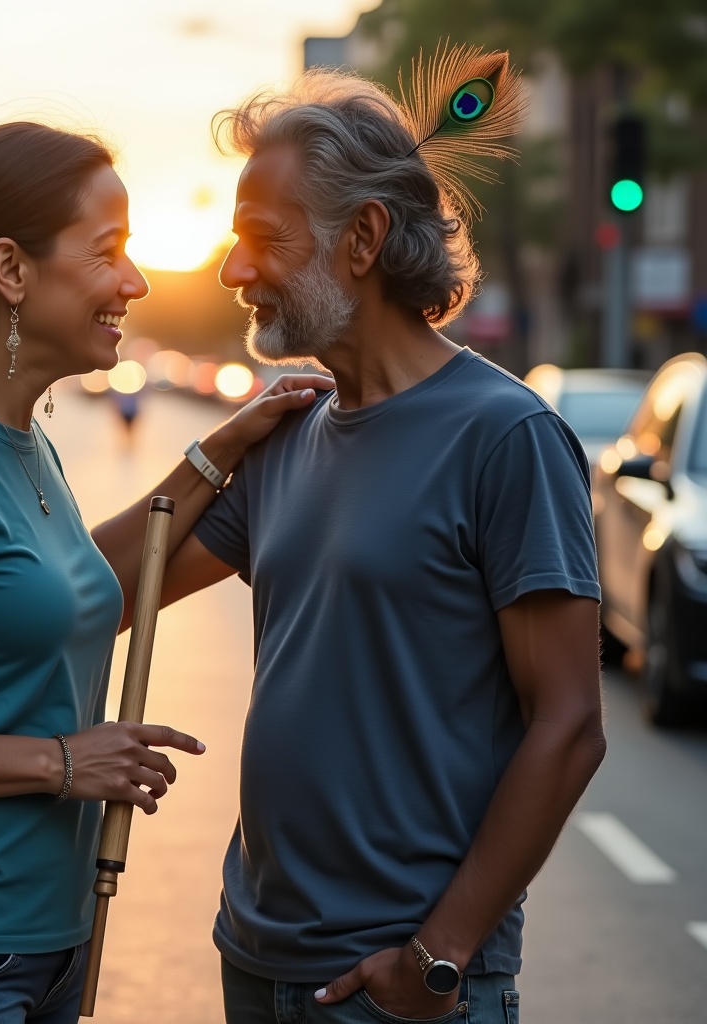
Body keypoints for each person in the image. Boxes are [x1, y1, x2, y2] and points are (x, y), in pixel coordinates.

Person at [0, 121, 332, 1024]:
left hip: (38, 950)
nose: (135, 283)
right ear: (11, 271)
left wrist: (216, 456)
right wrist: (64, 760)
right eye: (107, 252)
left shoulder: (22, 438)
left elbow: (84, 594)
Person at [157, 50, 607, 1022]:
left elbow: (569, 725)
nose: (233, 269)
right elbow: (107, 593)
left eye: (259, 239)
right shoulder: (282, 435)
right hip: (254, 955)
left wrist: (437, 956)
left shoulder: (506, 435)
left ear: (360, 239)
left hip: (396, 986)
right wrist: (210, 450)